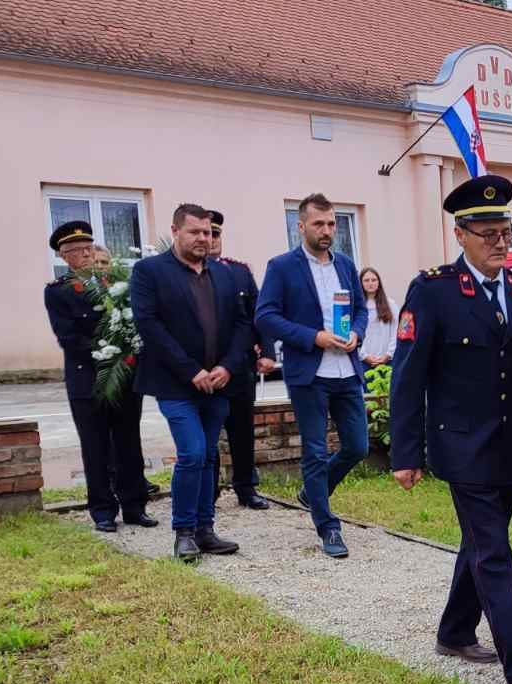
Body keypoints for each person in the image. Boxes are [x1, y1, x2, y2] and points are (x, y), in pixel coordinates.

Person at [389, 173, 512, 684]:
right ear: (460, 235)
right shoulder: (433, 291)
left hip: (510, 442)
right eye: (487, 233)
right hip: (460, 445)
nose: (500, 243)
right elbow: (408, 375)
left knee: (478, 542)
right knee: (494, 551)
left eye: (505, 232)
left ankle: (454, 631)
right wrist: (406, 452)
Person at [129, 203, 252, 561]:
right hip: (175, 384)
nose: (203, 238)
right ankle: (183, 532)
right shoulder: (149, 271)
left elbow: (244, 324)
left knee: (209, 454)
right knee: (193, 452)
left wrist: (228, 366)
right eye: (195, 231)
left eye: (208, 232)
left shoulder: (226, 274)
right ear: (176, 230)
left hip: (218, 383)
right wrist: (191, 371)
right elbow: (149, 326)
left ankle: (205, 530)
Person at [255, 192, 369, 558]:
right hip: (310, 372)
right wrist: (313, 337)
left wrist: (357, 334)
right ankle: (328, 527)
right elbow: (266, 316)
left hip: (346, 369)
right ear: (300, 226)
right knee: (316, 452)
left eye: (332, 223)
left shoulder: (346, 265)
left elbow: (361, 310)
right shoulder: (282, 266)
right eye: (319, 223)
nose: (327, 230)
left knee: (357, 446)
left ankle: (312, 491)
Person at [41, 219, 158, 534]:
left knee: (129, 444)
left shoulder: (117, 284)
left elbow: (134, 322)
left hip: (125, 377)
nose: (86, 256)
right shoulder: (58, 291)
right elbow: (68, 337)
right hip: (87, 379)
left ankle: (135, 506)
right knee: (95, 448)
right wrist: (107, 356)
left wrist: (127, 357)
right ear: (64, 257)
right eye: (77, 251)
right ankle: (103, 511)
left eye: (89, 248)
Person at [207, 210, 272, 510]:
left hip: (241, 365)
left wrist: (267, 351)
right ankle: (209, 490)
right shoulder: (186, 273)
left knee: (242, 430)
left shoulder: (239, 271)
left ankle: (246, 487)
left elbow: (257, 313)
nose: (211, 240)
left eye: (216, 233)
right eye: (205, 233)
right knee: (208, 435)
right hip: (207, 368)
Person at [358, 267, 397, 368]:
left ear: (379, 282)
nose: (370, 283)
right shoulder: (357, 306)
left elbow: (396, 331)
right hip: (363, 362)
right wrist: (364, 356)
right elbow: (353, 333)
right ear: (360, 283)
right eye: (366, 280)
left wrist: (388, 355)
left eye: (374, 280)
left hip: (387, 361)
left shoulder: (390, 304)